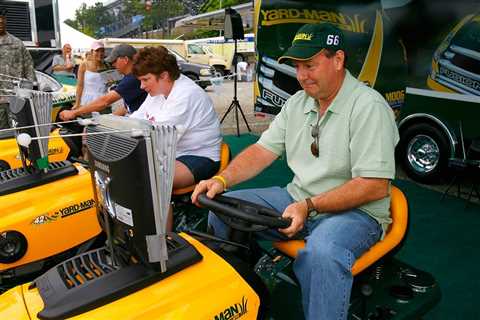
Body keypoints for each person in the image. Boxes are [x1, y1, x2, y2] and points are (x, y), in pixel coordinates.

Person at [192, 23, 399, 320]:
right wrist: (220, 179)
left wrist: (309, 206)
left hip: (356, 213)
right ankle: (245, 294)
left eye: (310, 65)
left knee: (323, 254)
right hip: (298, 199)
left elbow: (374, 186)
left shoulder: (368, 107)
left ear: (338, 60)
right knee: (223, 209)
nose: (302, 75)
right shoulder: (298, 103)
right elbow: (262, 151)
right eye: (298, 66)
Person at [131, 46, 222, 189]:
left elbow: (160, 138)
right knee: (129, 171)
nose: (142, 86)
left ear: (164, 75)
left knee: (151, 182)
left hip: (200, 156)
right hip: (174, 153)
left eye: (145, 79)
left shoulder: (186, 94)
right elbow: (136, 118)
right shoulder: (158, 90)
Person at [59, 44, 147, 120]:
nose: (113, 65)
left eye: (114, 61)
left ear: (125, 60)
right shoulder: (132, 76)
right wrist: (108, 119)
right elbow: (127, 106)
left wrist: (74, 113)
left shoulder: (133, 78)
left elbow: (105, 101)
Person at [0, 7, 37, 129]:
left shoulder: (17, 43)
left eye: (3, 19)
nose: (1, 22)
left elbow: (29, 68)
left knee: (19, 133)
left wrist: (27, 93)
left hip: (15, 100)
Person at [72, 41, 108, 110]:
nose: (100, 53)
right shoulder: (84, 65)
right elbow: (80, 85)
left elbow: (111, 84)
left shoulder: (107, 66)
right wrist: (77, 103)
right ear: (92, 52)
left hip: (103, 101)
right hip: (87, 101)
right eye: (97, 51)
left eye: (102, 51)